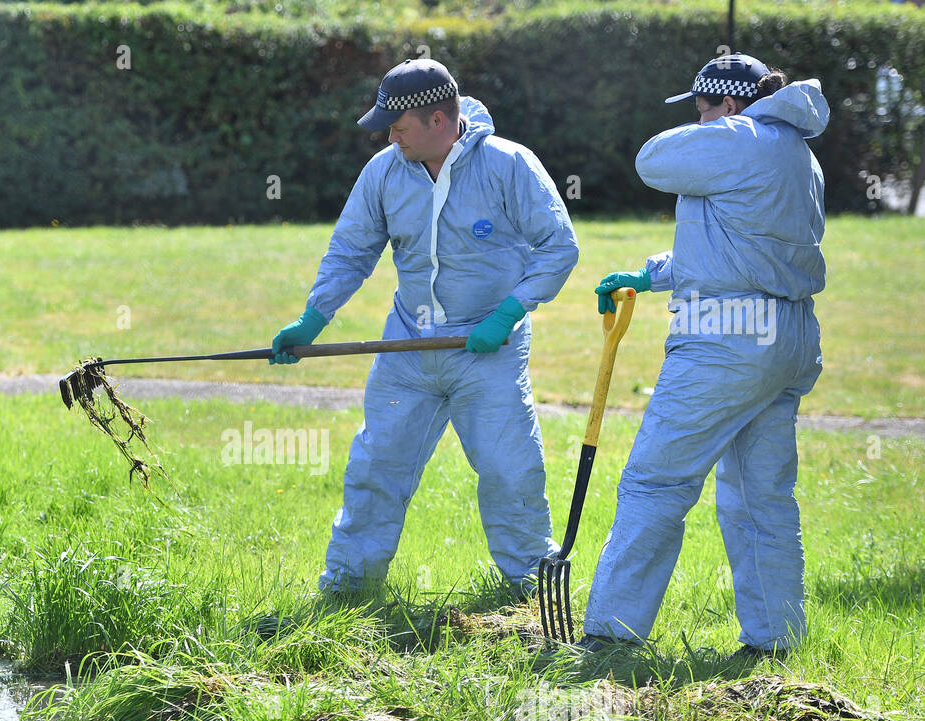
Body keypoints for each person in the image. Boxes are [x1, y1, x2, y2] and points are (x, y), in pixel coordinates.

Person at [270, 58, 579, 595]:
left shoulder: (509, 165)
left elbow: (559, 248)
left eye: (398, 126)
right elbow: (350, 251)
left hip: (489, 348)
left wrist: (509, 312)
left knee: (510, 470)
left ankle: (530, 588)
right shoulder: (385, 171)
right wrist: (312, 319)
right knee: (375, 469)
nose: (390, 136)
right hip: (407, 345)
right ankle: (348, 588)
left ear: (438, 120)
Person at [578, 54, 829, 660]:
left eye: (702, 110)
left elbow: (651, 160)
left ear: (731, 105)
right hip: (786, 335)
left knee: (656, 482)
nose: (699, 122)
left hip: (726, 341)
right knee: (758, 497)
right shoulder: (797, 153)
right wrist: (653, 273)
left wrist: (720, 125)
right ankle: (775, 642)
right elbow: (738, 248)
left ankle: (611, 634)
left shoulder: (742, 137)